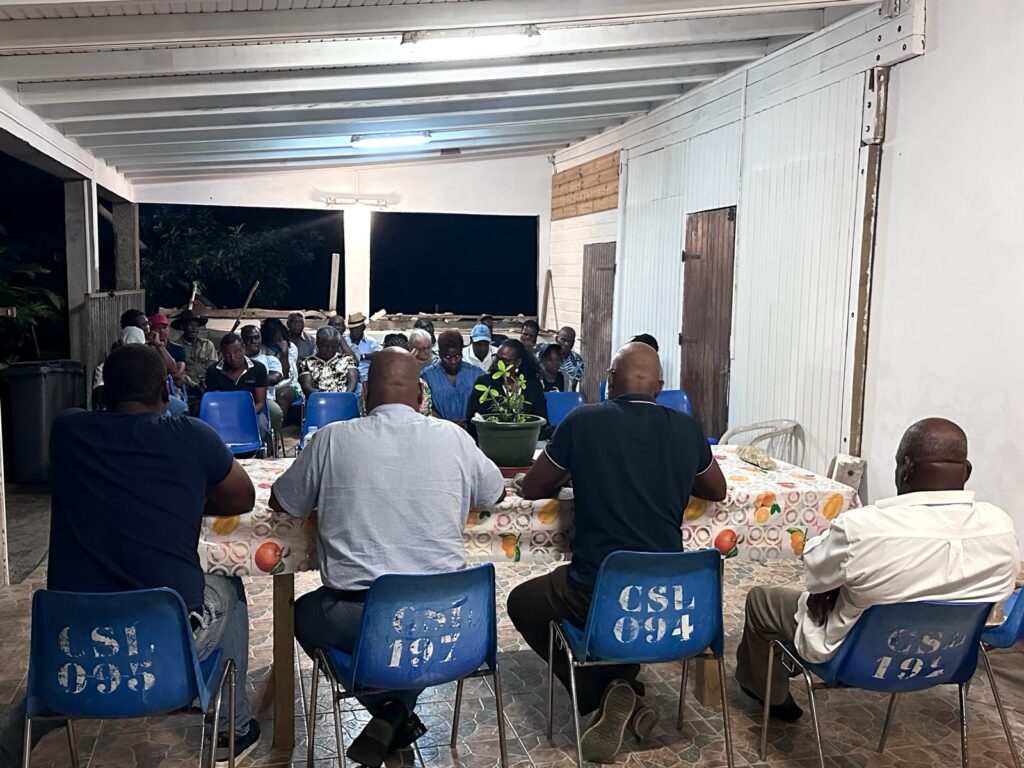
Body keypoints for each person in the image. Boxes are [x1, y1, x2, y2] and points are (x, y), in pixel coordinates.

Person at [0, 344, 260, 767]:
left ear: (102, 396)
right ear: (166, 392)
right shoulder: (192, 436)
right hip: (166, 643)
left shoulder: (67, 431)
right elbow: (241, 497)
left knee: (62, 669)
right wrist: (185, 496)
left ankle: (42, 712)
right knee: (228, 585)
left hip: (72, 640)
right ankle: (235, 726)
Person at [268, 348, 505, 768]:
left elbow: (283, 501)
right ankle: (395, 716)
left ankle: (390, 713)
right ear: (421, 395)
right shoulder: (454, 437)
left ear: (363, 393)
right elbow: (494, 493)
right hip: (451, 622)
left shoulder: (331, 439)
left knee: (301, 614)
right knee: (408, 625)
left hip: (360, 619)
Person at [506, 342, 727, 763]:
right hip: (670, 596)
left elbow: (534, 487)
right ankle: (621, 690)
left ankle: (600, 691)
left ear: (609, 380)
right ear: (660, 386)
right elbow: (716, 489)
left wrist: (579, 468)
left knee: (522, 602)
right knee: (613, 606)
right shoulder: (685, 428)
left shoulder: (583, 421)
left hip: (596, 590)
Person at [735, 418, 1019, 723]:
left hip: (856, 660)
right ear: (967, 471)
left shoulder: (864, 528)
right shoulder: (1000, 527)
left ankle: (770, 694)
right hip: (946, 660)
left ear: (906, 468)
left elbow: (815, 572)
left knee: (762, 600)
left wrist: (834, 587)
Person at [94, 327, 189, 417]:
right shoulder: (107, 366)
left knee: (181, 407)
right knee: (166, 414)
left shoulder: (146, 362)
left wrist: (159, 345)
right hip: (128, 406)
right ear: (120, 346)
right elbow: (99, 395)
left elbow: (172, 369)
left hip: (150, 398)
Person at [465, 339, 548, 438]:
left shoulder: (532, 385)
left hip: (526, 439)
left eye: (505, 361)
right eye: (496, 358)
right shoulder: (485, 382)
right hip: (491, 439)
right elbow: (472, 420)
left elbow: (542, 419)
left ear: (518, 363)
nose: (498, 363)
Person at [205, 332, 271, 438]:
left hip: (251, 411)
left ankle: (259, 447)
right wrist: (229, 416)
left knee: (261, 426)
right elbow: (215, 401)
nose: (233, 357)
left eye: (237, 352)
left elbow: (260, 403)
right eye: (227, 355)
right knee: (208, 431)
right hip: (223, 413)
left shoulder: (258, 368)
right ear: (222, 354)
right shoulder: (213, 371)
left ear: (244, 349)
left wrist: (243, 415)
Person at [421, 330, 479, 424]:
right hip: (439, 429)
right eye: (448, 357)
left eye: (457, 356)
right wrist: (446, 424)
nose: (453, 361)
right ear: (440, 354)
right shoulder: (427, 377)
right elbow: (424, 407)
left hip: (471, 428)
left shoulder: (476, 374)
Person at [241, 324, 285, 436]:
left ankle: (270, 443)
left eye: (256, 338)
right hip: (239, 398)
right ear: (242, 341)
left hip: (265, 399)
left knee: (276, 412)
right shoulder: (236, 360)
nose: (253, 341)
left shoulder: (270, 359)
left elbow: (275, 378)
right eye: (249, 338)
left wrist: (246, 381)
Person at [299, 326, 358, 395]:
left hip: (343, 398)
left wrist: (344, 396)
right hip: (317, 398)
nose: (329, 350)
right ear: (317, 344)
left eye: (333, 347)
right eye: (325, 346)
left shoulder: (347, 359)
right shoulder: (306, 362)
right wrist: (324, 396)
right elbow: (307, 387)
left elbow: (353, 381)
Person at [172, 309, 218, 398]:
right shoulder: (175, 347)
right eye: (191, 325)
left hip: (207, 384)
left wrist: (207, 383)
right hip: (186, 386)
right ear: (182, 327)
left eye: (196, 325)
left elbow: (213, 368)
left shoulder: (207, 344)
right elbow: (178, 373)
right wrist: (195, 385)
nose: (194, 329)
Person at [261, 317, 300, 409]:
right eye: (274, 341)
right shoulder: (263, 349)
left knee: (281, 395)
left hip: (289, 385)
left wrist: (284, 352)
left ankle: (279, 419)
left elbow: (284, 374)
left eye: (279, 339)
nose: (277, 343)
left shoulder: (291, 348)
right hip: (268, 385)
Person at [345, 312, 383, 383]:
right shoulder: (344, 341)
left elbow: (381, 353)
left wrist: (363, 356)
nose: (354, 331)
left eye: (357, 328)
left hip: (366, 376)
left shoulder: (370, 341)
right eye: (352, 329)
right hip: (347, 376)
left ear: (363, 328)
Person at [556, 326, 585, 392]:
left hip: (567, 395)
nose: (567, 344)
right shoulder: (546, 355)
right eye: (563, 340)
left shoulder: (577, 360)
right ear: (556, 339)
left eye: (570, 341)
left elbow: (572, 386)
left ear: (573, 343)